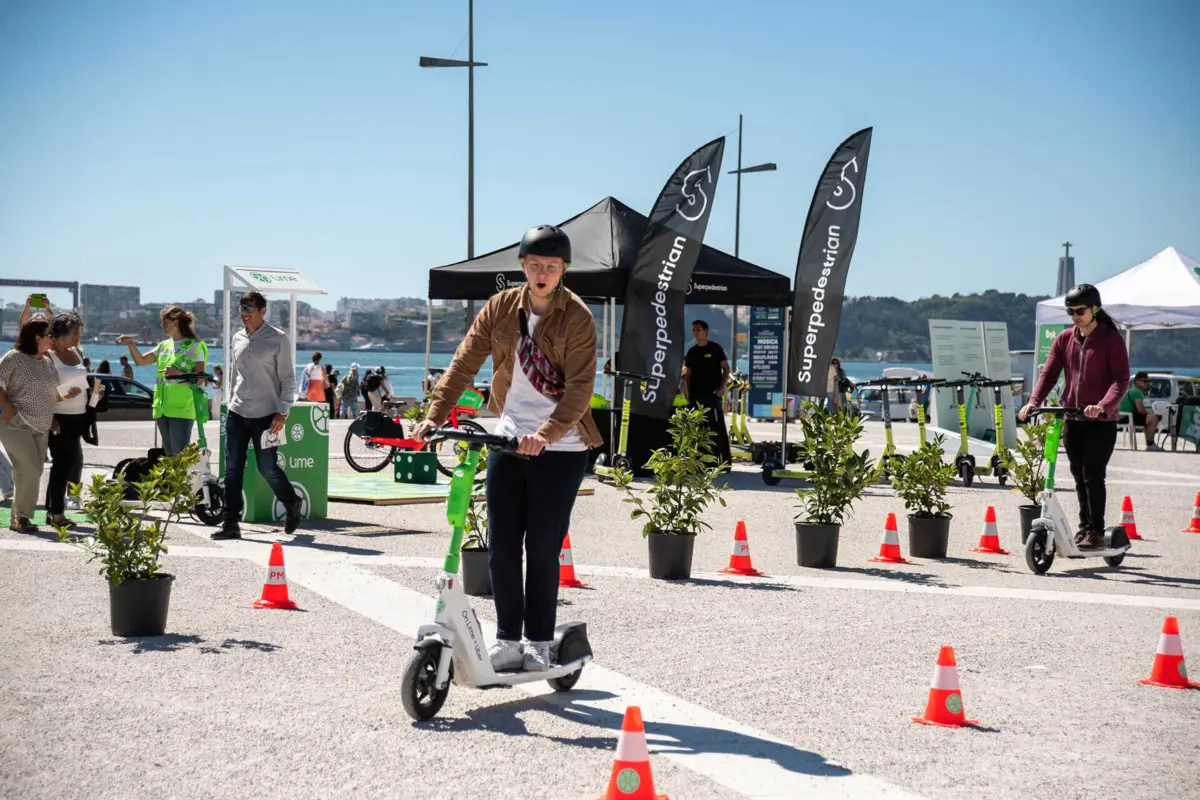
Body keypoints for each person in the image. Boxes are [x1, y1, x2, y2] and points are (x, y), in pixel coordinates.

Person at [413, 224, 601, 672]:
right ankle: (507, 639)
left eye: (551, 267)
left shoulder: (577, 318)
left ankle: (538, 640)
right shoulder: (501, 307)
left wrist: (548, 434)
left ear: (563, 272)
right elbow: (465, 360)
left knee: (540, 545)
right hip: (508, 437)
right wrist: (435, 415)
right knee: (500, 544)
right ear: (522, 266)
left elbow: (580, 389)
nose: (541, 273)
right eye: (534, 265)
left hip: (562, 447)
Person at [1021, 284, 1130, 549]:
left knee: (1093, 474)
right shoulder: (1065, 339)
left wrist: (1103, 405)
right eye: (1070, 311)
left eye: (1079, 311)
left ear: (1094, 309)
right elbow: (1048, 373)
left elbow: (1121, 379)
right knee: (1078, 475)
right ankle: (1084, 528)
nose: (1074, 316)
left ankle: (1096, 530)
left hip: (1100, 422)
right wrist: (1034, 401)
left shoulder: (1110, 339)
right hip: (1072, 418)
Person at [214, 291, 302, 540]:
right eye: (242, 308)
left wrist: (283, 412)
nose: (244, 312)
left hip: (266, 414)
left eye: (249, 308)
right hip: (237, 411)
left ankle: (291, 502)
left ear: (264, 311)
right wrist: (230, 400)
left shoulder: (278, 339)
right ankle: (230, 522)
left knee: (268, 469)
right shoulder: (238, 337)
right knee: (232, 470)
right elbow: (234, 374)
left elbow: (287, 378)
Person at [0, 319, 67, 533]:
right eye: (50, 335)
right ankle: (21, 518)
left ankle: (19, 517)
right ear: (37, 338)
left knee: (33, 470)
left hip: (41, 424)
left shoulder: (47, 362)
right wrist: (7, 407)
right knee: (29, 467)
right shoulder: (14, 358)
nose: (53, 339)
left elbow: (53, 392)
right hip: (16, 422)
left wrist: (66, 397)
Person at [117, 306, 208, 456]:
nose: (162, 325)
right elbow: (141, 361)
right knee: (169, 455)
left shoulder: (195, 346)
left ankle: (182, 480)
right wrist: (131, 345)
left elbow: (200, 379)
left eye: (165, 321)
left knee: (179, 456)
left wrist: (179, 373)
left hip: (181, 409)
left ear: (176, 322)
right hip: (162, 408)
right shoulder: (164, 346)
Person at [45, 312, 97, 528]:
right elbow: (43, 390)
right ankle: (56, 514)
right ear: (61, 333)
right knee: (62, 465)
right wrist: (51, 416)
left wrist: (94, 392)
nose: (78, 336)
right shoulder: (48, 356)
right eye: (75, 332)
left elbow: (82, 380)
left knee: (70, 464)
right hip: (59, 417)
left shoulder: (76, 351)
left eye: (80, 332)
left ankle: (53, 510)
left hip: (80, 416)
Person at [682, 319, 732, 466]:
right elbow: (688, 375)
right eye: (694, 330)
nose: (696, 333)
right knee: (698, 427)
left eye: (698, 330)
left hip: (712, 395)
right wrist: (686, 391)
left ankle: (721, 461)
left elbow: (726, 369)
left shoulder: (715, 349)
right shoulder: (692, 352)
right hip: (696, 395)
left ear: (706, 331)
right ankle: (698, 461)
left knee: (715, 427)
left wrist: (722, 387)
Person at [1119, 371, 1161, 451]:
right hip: (1127, 417)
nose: (1146, 383)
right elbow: (1141, 410)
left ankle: (1150, 443)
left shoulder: (1133, 390)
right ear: (1137, 381)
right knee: (1154, 418)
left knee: (1150, 419)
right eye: (1144, 381)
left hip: (1124, 416)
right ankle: (1150, 444)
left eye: (1147, 381)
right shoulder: (1137, 392)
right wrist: (1152, 415)